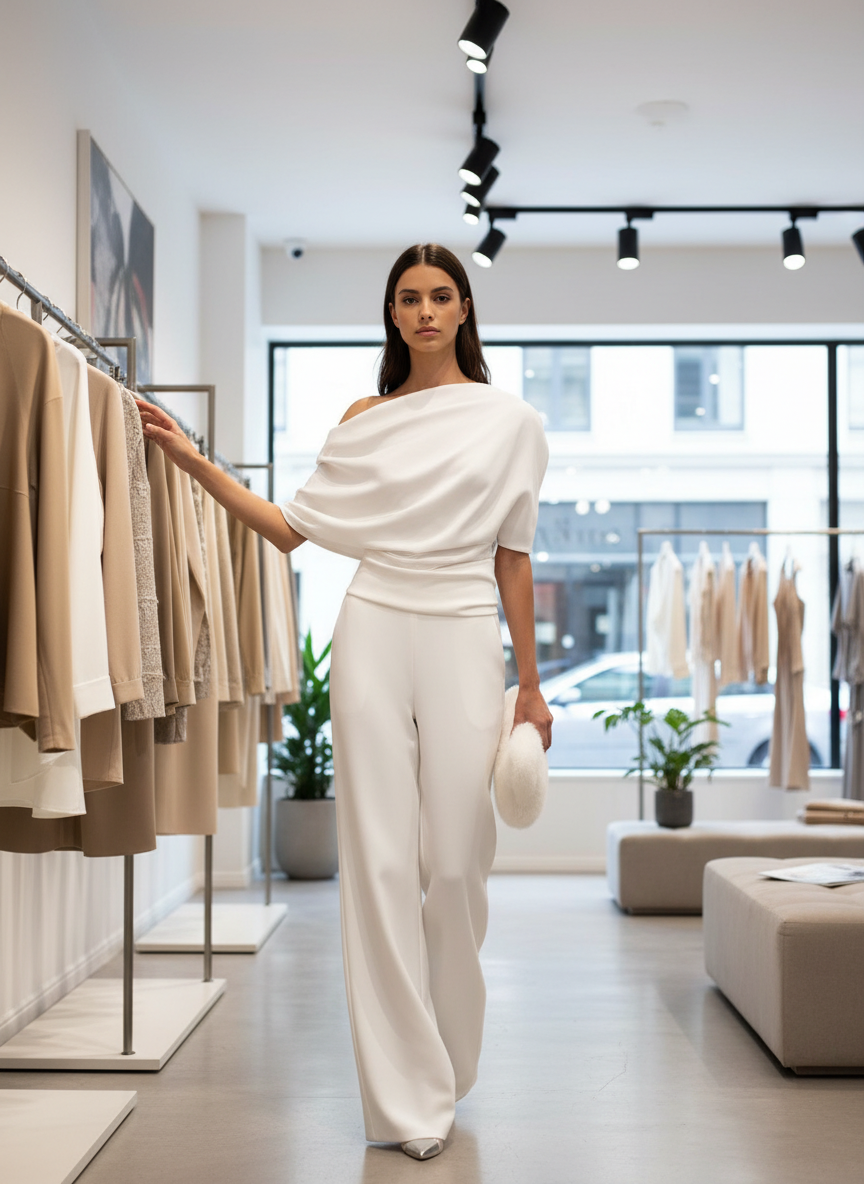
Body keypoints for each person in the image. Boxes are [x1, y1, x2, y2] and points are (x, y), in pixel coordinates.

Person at [137, 242, 552, 1161]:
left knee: (455, 863)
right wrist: (191, 461)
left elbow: (513, 558)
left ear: (466, 308)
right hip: (371, 622)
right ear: (394, 316)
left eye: (442, 295)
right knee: (374, 866)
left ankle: (447, 1055)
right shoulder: (365, 418)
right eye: (410, 298)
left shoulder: (514, 421)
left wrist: (530, 683)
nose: (426, 311)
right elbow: (290, 531)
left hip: (459, 627)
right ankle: (405, 1102)